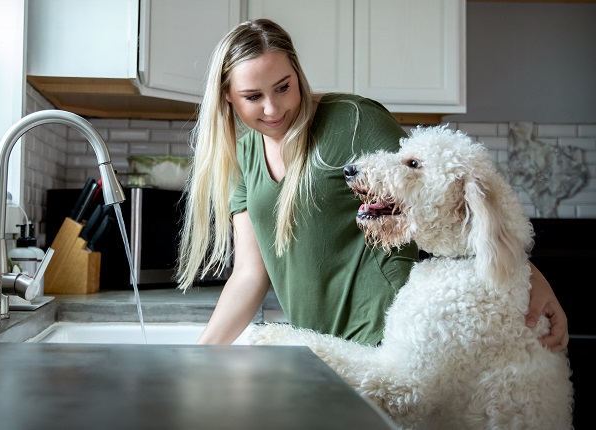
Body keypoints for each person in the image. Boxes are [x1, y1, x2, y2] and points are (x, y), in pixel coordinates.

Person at [176, 19, 568, 350]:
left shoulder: (351, 120)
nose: (273, 108)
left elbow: (445, 194)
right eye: (252, 96)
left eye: (283, 87)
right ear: (227, 97)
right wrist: (201, 355)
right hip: (319, 345)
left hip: (389, 334)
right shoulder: (244, 155)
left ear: (298, 73)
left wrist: (529, 274)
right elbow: (250, 273)